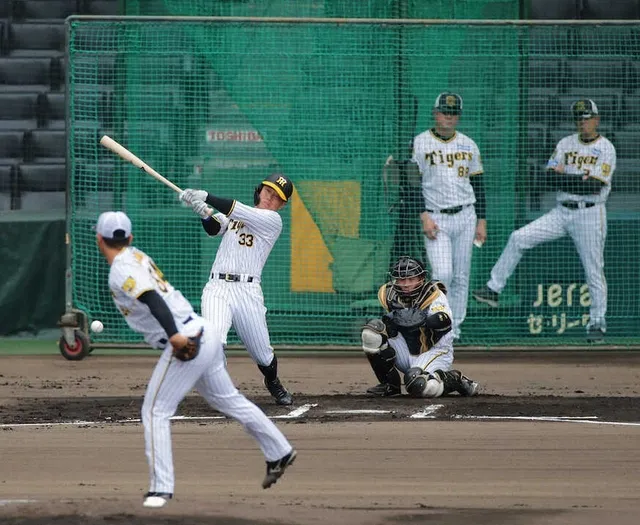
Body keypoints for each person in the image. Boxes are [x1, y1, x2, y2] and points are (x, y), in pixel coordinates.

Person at [95, 211, 297, 509]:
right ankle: (279, 450)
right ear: (130, 238)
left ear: (100, 239)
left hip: (186, 339)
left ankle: (160, 490)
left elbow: (153, 299)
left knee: (155, 411)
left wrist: (175, 336)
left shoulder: (121, 268)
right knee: (229, 400)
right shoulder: (134, 255)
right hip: (204, 332)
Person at [472, 99, 616, 344]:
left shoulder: (606, 148)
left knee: (593, 271)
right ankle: (493, 289)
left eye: (587, 117)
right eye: (579, 118)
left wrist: (568, 178)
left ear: (597, 119)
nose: (583, 122)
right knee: (518, 238)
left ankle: (597, 324)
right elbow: (549, 177)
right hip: (561, 211)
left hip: (590, 214)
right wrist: (576, 179)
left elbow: (594, 186)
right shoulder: (565, 143)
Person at [179, 173, 294, 405]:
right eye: (268, 192)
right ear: (259, 190)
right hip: (218, 288)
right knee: (215, 339)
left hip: (247, 291)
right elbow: (214, 228)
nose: (270, 198)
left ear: (282, 205)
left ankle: (272, 381)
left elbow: (236, 210)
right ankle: (220, 391)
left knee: (263, 354)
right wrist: (203, 212)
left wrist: (207, 196)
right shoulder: (235, 215)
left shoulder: (273, 221)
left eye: (277, 197)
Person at [409, 92, 487, 342]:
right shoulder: (420, 142)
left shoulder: (468, 144)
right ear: (435, 113)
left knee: (462, 275)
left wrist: (482, 220)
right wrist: (424, 217)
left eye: (453, 113)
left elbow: (479, 184)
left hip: (466, 215)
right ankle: (440, 320)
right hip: (436, 217)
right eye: (444, 111)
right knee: (443, 273)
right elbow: (412, 184)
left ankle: (455, 328)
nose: (448, 117)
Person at [360, 255, 479, 398]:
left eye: (411, 279)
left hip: (434, 350)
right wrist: (393, 322)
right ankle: (389, 385)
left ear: (421, 278)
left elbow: (444, 322)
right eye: (401, 279)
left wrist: (420, 320)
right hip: (405, 348)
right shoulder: (389, 294)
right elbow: (388, 326)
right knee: (371, 333)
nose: (405, 284)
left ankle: (454, 379)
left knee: (420, 385)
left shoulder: (433, 294)